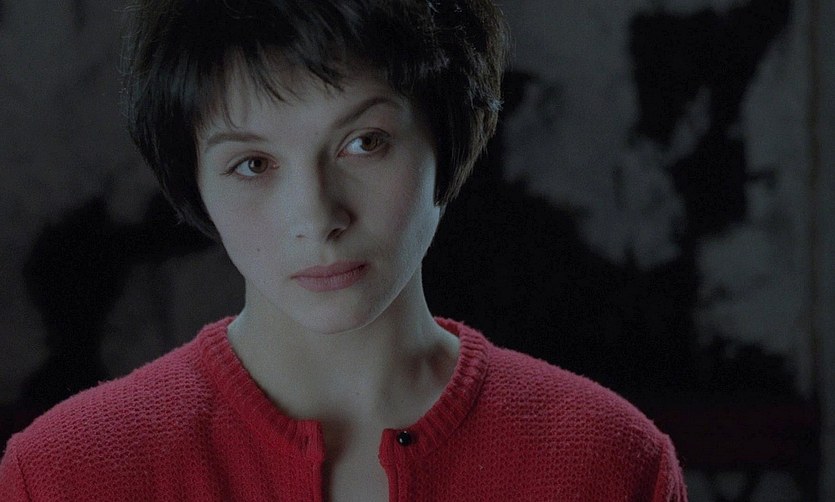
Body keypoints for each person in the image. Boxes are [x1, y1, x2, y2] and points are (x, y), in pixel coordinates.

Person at [0, 0, 687, 500]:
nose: (317, 218)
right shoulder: (65, 475)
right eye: (251, 164)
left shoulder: (607, 462)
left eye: (365, 142)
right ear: (195, 184)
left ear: (446, 137)